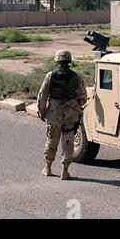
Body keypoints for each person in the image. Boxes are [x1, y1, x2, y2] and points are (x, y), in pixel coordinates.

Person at [37, 50, 87, 180]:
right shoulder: (77, 76)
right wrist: (75, 105)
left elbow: (42, 95)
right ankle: (64, 171)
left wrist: (42, 111)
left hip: (54, 112)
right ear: (69, 61)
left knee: (52, 138)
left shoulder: (50, 75)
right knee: (68, 140)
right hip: (71, 112)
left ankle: (47, 167)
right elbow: (83, 97)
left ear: (57, 61)